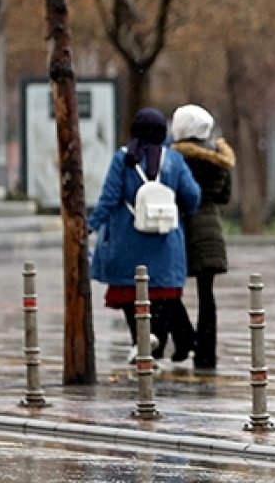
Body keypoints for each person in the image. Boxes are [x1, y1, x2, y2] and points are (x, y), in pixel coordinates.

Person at [89, 107, 201, 362]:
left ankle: (141, 342)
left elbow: (109, 199)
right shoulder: (173, 160)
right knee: (161, 297)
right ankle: (156, 346)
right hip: (165, 242)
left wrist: (90, 225)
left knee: (133, 295)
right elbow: (192, 197)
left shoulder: (123, 159)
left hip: (128, 243)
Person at [170, 104, 235, 371]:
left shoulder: (176, 159)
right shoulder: (218, 159)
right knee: (207, 295)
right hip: (211, 230)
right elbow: (224, 197)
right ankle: (207, 353)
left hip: (182, 228)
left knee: (169, 289)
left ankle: (183, 339)